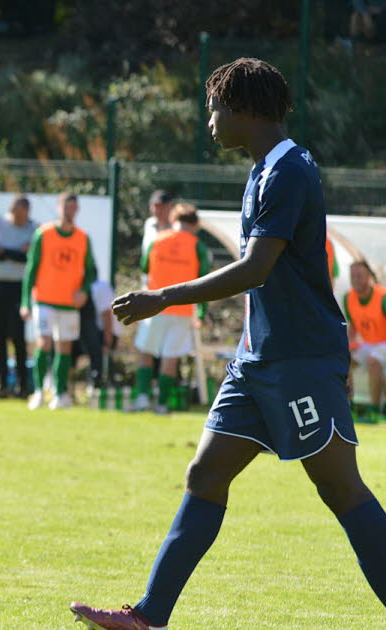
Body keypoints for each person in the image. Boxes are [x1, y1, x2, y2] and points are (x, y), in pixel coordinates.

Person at [72, 57, 386, 630]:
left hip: (300, 360)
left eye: (214, 107)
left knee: (342, 491)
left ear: (242, 109)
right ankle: (147, 617)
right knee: (205, 474)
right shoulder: (263, 168)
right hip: (257, 359)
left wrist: (162, 297)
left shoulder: (289, 170)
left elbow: (255, 269)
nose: (209, 119)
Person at [22, 192, 98, 410]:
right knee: (43, 343)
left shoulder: (83, 238)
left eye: (73, 207)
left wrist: (83, 291)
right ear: (58, 207)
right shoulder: (43, 234)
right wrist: (26, 301)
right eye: (66, 206)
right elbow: (31, 269)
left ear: (77, 210)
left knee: (64, 347)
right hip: (44, 300)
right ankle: (38, 392)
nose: (69, 211)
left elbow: (91, 271)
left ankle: (60, 393)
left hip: (68, 303)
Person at [131, 204, 211, 414]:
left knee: (146, 351)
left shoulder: (157, 239)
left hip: (153, 305)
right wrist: (201, 312)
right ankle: (162, 404)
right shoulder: (198, 246)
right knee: (171, 357)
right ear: (194, 224)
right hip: (182, 309)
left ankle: (142, 398)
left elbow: (143, 266)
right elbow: (205, 282)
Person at [0, 194, 36, 399]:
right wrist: (16, 253)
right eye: (17, 215)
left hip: (18, 287)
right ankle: (2, 384)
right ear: (11, 211)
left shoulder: (33, 229)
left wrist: (4, 251)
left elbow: (27, 258)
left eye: (23, 216)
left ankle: (23, 386)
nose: (20, 220)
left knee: (18, 336)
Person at [344, 260, 386, 418]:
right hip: (368, 343)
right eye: (352, 276)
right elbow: (353, 326)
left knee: (373, 361)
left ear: (369, 276)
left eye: (359, 276)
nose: (355, 279)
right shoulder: (348, 298)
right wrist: (349, 344)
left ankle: (375, 411)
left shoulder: (382, 296)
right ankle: (350, 405)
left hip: (383, 342)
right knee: (344, 359)